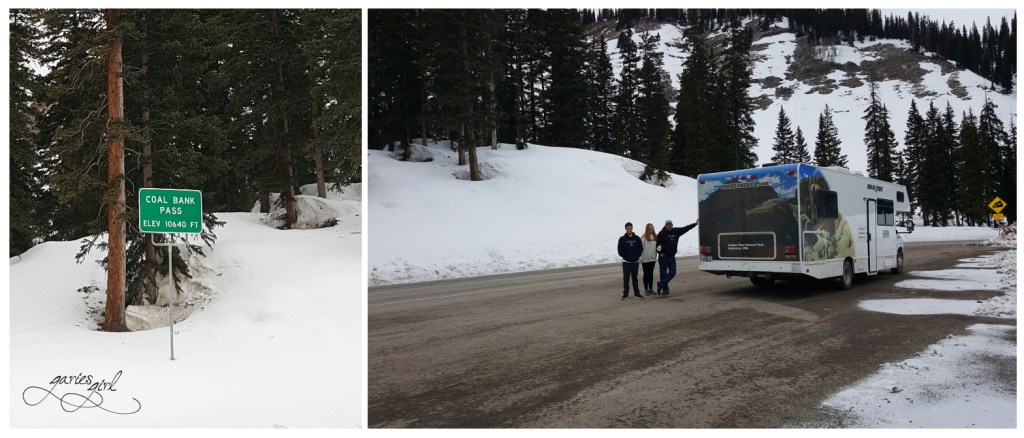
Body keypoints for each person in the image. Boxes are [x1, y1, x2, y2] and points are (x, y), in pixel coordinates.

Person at [656, 218, 698, 295]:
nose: (669, 226)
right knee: (663, 274)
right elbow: (657, 245)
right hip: (663, 257)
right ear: (665, 225)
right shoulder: (661, 233)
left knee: (673, 272)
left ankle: (661, 284)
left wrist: (695, 224)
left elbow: (686, 228)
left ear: (672, 225)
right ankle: (665, 290)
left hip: (671, 257)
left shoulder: (676, 231)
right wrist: (659, 252)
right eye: (667, 225)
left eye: (670, 225)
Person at [617, 222, 644, 300]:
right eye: (627, 228)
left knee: (635, 278)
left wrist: (637, 256)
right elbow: (620, 250)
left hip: (635, 262)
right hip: (626, 262)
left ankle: (637, 293)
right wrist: (626, 257)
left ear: (632, 228)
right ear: (625, 229)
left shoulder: (637, 238)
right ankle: (625, 294)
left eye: (630, 228)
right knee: (626, 279)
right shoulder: (622, 239)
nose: (629, 229)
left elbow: (640, 248)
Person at [640, 223, 658, 295]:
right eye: (650, 227)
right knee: (646, 274)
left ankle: (650, 289)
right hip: (645, 259)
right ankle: (646, 289)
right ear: (647, 228)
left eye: (652, 227)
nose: (651, 228)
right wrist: (641, 258)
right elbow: (641, 249)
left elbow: (658, 247)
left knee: (651, 274)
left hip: (652, 259)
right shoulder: (643, 237)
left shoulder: (655, 237)